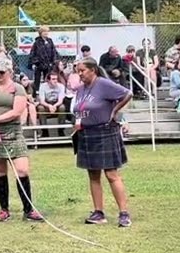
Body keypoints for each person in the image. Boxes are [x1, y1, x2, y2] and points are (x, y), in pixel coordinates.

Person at [0, 55, 42, 222]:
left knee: (22, 170)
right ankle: (4, 209)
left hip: (13, 131)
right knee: (0, 172)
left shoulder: (18, 88)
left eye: (1, 72)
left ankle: (28, 209)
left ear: (9, 71)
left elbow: (16, 111)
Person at [72, 57, 133, 227]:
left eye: (82, 70)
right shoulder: (81, 89)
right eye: (78, 71)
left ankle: (124, 213)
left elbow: (128, 93)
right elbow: (80, 108)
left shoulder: (104, 84)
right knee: (93, 174)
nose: (80, 74)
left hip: (105, 132)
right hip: (86, 133)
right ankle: (99, 212)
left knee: (111, 174)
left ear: (93, 70)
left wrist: (114, 110)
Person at [29, 26, 58, 94]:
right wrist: (35, 62)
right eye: (44, 31)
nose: (46, 33)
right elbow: (33, 53)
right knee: (37, 79)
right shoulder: (37, 42)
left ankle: (47, 91)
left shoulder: (50, 41)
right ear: (40, 33)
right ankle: (36, 92)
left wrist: (53, 61)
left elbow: (53, 51)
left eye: (47, 31)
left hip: (48, 63)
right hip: (39, 63)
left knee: (47, 77)